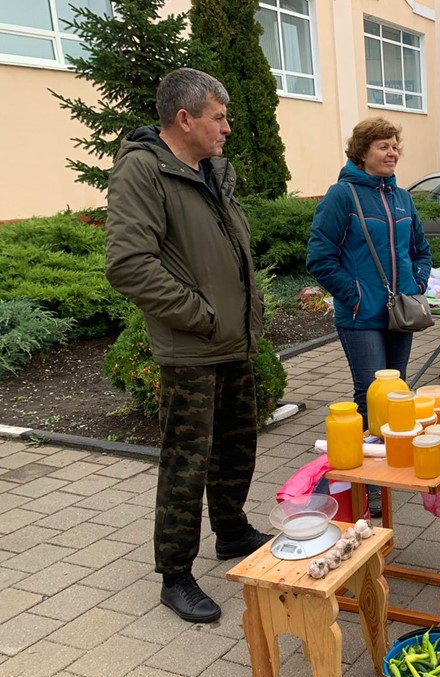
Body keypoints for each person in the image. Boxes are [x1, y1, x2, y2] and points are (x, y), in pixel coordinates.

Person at [105, 68, 271, 623]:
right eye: (218, 117)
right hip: (193, 347)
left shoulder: (212, 171)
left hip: (234, 341)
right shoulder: (145, 171)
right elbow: (129, 265)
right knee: (187, 461)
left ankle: (231, 530)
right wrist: (201, 315)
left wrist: (244, 317)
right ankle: (175, 575)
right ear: (185, 118)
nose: (226, 127)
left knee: (237, 444)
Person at [306, 118, 432, 515]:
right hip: (360, 318)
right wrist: (355, 296)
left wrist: (417, 286)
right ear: (362, 151)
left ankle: (387, 465)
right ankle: (365, 481)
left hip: (401, 314)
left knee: (396, 395)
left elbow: (421, 250)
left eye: (395, 145)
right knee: (370, 394)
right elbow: (320, 258)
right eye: (383, 145)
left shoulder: (401, 198)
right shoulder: (342, 196)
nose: (392, 152)